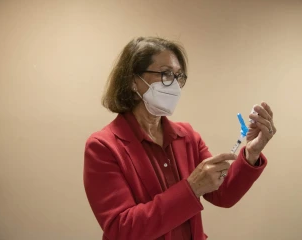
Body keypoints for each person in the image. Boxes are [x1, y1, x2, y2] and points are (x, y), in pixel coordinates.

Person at [83, 37, 277, 240]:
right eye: (166, 74)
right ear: (133, 81)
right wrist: (191, 188)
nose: (174, 85)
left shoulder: (187, 136)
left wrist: (252, 152)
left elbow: (223, 194)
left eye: (178, 76)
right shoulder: (103, 146)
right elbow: (122, 230)